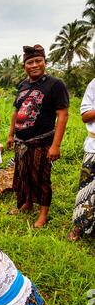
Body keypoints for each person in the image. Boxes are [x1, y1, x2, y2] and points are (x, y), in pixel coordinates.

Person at [7, 44, 69, 228]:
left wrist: (55, 145)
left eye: (38, 61)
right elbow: (16, 112)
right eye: (30, 62)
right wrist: (11, 135)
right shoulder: (23, 85)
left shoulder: (55, 85)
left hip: (42, 141)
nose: (34, 65)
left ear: (45, 63)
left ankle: (43, 213)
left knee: (41, 177)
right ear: (24, 66)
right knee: (23, 174)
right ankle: (26, 203)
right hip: (21, 141)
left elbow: (63, 115)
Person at [68, 78, 95, 241]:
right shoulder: (94, 84)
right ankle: (80, 226)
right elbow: (85, 115)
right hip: (93, 147)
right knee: (86, 189)